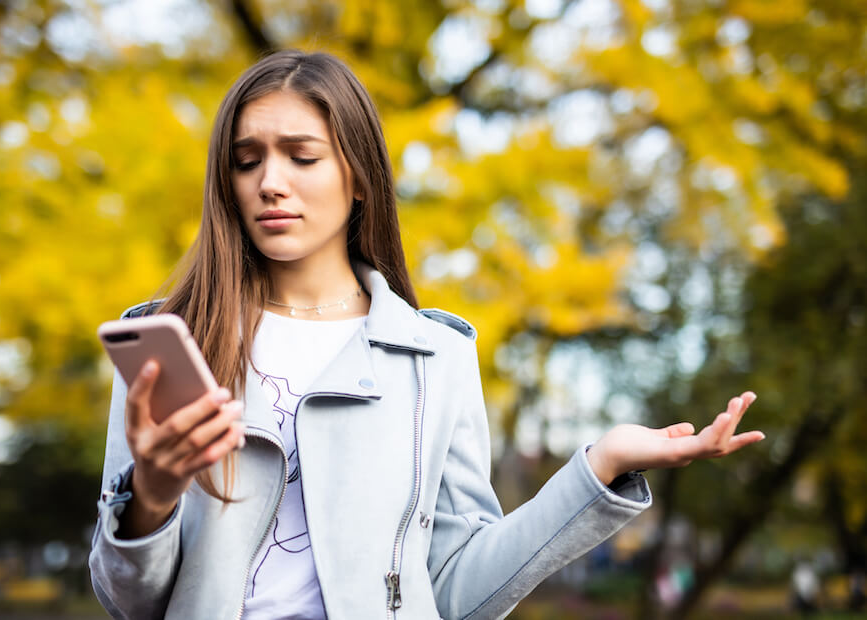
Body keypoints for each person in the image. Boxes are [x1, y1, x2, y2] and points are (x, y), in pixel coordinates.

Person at [88, 50, 765, 620]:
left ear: (356, 177)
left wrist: (601, 466)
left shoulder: (433, 358)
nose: (270, 182)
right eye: (247, 160)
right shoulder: (170, 344)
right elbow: (126, 602)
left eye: (302, 157)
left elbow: (457, 592)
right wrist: (149, 498)